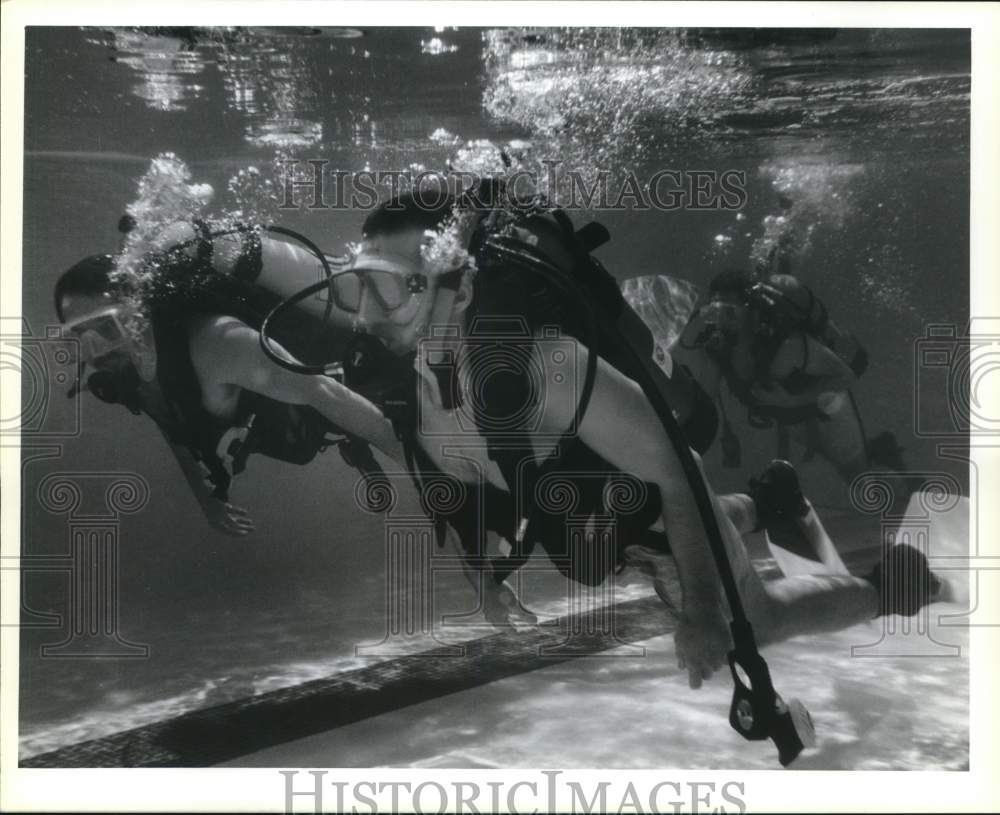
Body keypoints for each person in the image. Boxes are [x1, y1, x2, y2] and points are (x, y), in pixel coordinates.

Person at [325, 189, 947, 689]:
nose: (367, 316)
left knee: (753, 624)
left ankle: (893, 588)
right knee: (646, 537)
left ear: (460, 291)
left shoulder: (548, 367)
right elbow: (461, 487)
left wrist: (702, 613)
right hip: (608, 528)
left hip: (661, 514)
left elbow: (678, 473)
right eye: (358, 286)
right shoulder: (410, 386)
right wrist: (482, 577)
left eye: (391, 288)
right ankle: (767, 501)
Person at [56, 217, 402, 537]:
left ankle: (358, 438)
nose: (96, 351)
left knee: (377, 398)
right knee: (309, 439)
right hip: (280, 424)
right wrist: (207, 498)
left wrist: (423, 472)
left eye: (107, 327)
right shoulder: (130, 364)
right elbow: (170, 419)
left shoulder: (219, 344)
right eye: (78, 337)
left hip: (331, 395)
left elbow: (327, 394)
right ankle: (353, 442)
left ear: (139, 311)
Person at [674, 268, 908, 488]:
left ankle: (904, 481)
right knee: (851, 473)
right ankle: (880, 454)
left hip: (831, 414)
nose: (721, 323)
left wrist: (792, 401)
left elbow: (845, 376)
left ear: (750, 311)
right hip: (795, 421)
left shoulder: (786, 346)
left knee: (860, 479)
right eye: (713, 313)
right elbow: (704, 402)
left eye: (729, 312)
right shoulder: (719, 353)